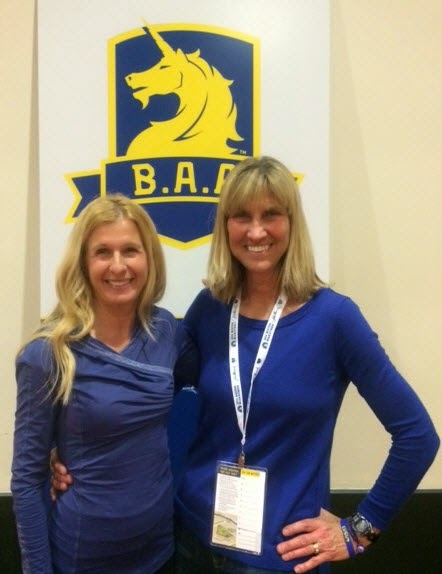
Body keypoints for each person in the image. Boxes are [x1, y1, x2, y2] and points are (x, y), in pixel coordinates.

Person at [52, 157, 440, 574]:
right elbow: (141, 395)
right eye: (242, 216)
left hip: (282, 556)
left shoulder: (334, 319)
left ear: (292, 223)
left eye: (270, 214)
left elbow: (417, 436)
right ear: (225, 227)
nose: (256, 232)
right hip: (190, 540)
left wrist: (360, 530)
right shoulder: (211, 308)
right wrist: (67, 452)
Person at [11, 194, 196, 574]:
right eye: (102, 252)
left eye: (130, 250)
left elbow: (196, 383)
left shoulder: (166, 331)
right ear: (82, 262)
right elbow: (27, 482)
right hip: (84, 559)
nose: (118, 265)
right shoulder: (48, 353)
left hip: (161, 551)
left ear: (149, 258)